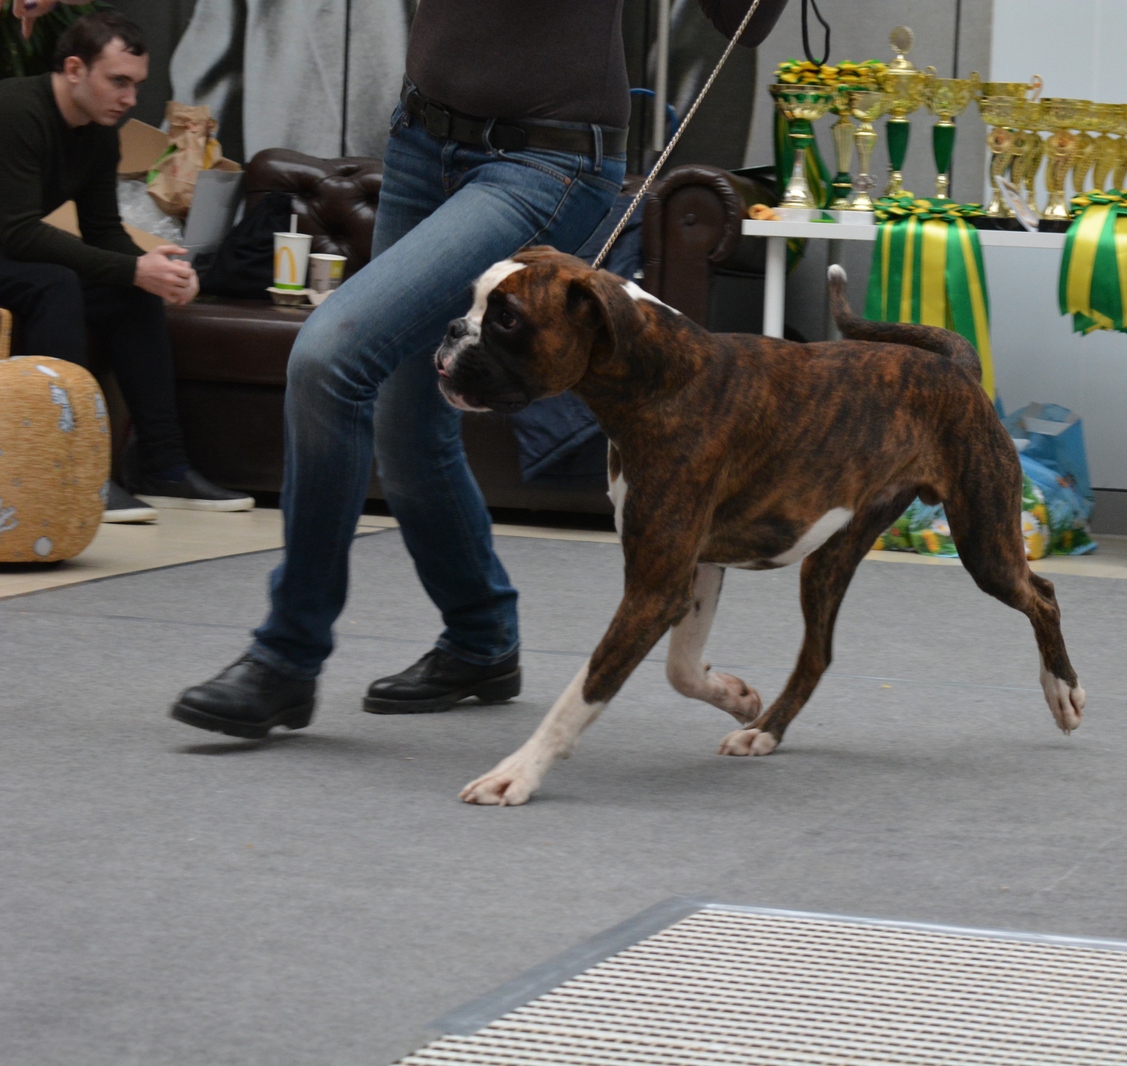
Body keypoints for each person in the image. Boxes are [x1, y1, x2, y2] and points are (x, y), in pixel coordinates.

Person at [169, 0, 788, 737]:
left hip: (548, 161)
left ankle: (286, 658)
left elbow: (743, 22)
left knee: (329, 357)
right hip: (422, 142)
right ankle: (480, 640)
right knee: (407, 423)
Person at [0, 8, 255, 522]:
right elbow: (18, 231)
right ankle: (73, 468)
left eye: (136, 84)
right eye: (118, 82)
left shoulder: (97, 130)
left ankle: (164, 464)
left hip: (9, 252)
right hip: (10, 243)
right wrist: (133, 268)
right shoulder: (17, 111)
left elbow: (102, 230)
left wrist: (153, 269)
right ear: (75, 69)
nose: (130, 99)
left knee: (131, 290)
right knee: (57, 284)